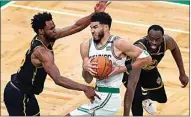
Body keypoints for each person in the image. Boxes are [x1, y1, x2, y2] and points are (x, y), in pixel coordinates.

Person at [3, 1, 111, 116]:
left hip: (27, 93)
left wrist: (94, 14)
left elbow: (76, 26)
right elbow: (58, 79)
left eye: (54, 27)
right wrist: (85, 88)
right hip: (17, 94)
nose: (54, 30)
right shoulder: (41, 52)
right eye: (51, 29)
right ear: (41, 31)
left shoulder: (48, 37)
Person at [67, 12, 152, 116]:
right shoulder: (86, 46)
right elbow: (88, 79)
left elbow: (147, 58)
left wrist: (123, 68)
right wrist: (85, 68)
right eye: (91, 28)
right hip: (97, 94)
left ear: (106, 27)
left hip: (110, 97)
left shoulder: (118, 43)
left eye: (95, 27)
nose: (92, 31)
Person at [122, 25, 189, 116]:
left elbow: (175, 49)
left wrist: (182, 73)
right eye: (151, 39)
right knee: (136, 99)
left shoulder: (167, 41)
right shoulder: (139, 48)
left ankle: (144, 95)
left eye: (157, 39)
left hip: (149, 69)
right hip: (132, 70)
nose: (154, 42)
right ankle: (141, 96)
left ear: (162, 38)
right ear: (147, 37)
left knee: (161, 98)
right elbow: (131, 86)